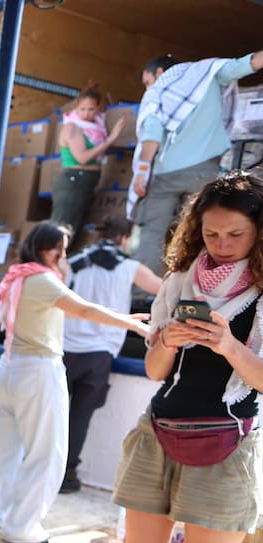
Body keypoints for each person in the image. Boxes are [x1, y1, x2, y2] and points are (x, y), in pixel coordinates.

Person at [75, 171, 263, 543]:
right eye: (211, 233)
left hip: (227, 445)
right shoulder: (180, 280)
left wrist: (228, 345)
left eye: (235, 234)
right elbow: (157, 371)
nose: (221, 245)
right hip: (158, 433)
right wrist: (167, 341)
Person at [0, 222, 149, 543]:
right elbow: (83, 309)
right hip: (37, 370)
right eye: (61, 249)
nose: (64, 256)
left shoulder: (19, 276)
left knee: (4, 449)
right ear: (46, 249)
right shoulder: (41, 280)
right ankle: (22, 526)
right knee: (47, 453)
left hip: (11, 368)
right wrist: (130, 323)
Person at [131, 49, 263, 276]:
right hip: (204, 172)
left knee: (153, 232)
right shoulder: (208, 74)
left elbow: (152, 133)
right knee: (199, 231)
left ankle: (145, 287)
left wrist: (142, 171)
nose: (148, 88)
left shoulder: (159, 91)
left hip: (165, 175)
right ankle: (197, 282)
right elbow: (247, 63)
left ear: (160, 72)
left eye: (147, 81)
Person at [60, 218, 162, 492]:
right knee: (80, 416)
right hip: (99, 353)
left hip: (64, 347)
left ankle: (45, 468)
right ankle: (67, 474)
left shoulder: (71, 261)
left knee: (53, 413)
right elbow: (163, 288)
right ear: (125, 238)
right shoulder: (130, 267)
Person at [50, 84, 126, 237]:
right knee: (61, 233)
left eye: (91, 109)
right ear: (76, 107)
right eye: (82, 109)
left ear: (97, 108)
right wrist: (110, 139)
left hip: (85, 183)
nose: (86, 114)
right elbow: (82, 158)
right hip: (74, 182)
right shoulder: (73, 127)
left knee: (72, 232)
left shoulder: (96, 127)